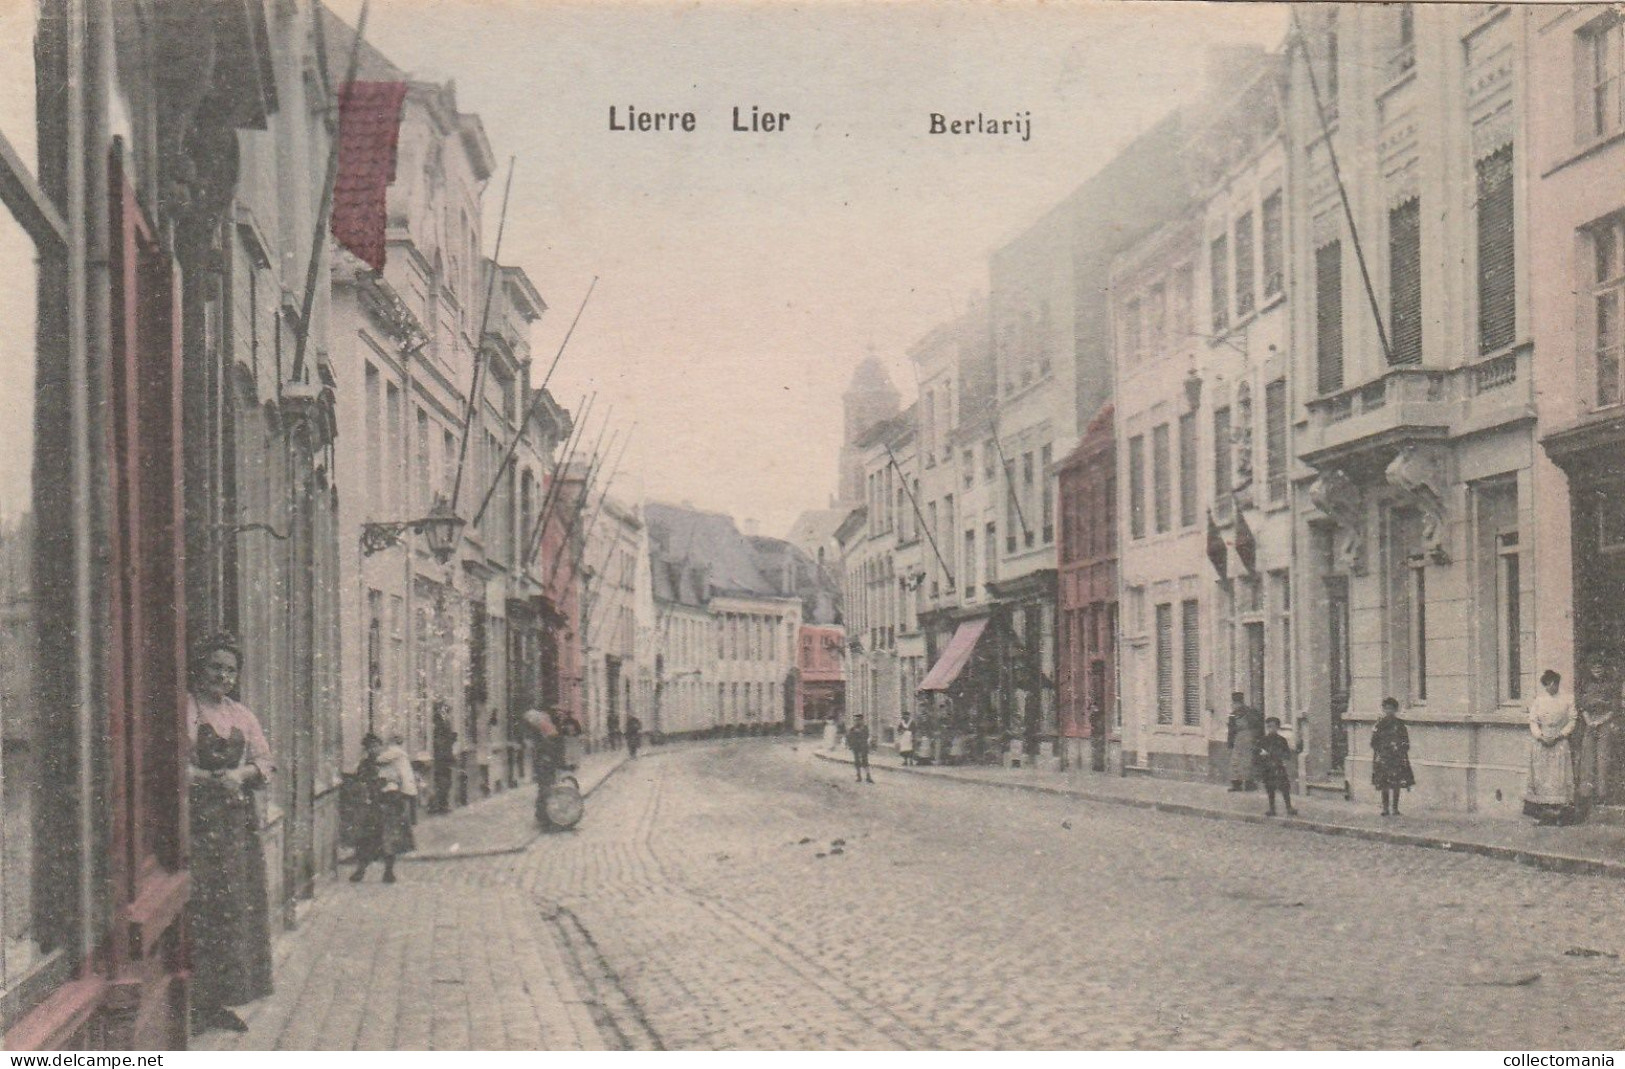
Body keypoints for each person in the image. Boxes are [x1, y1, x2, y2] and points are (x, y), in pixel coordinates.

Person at [187, 633, 274, 1035]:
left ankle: (220, 1000)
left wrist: (242, 773)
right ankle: (195, 1002)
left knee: (234, 906)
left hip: (237, 827)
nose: (222, 675)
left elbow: (265, 762)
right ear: (200, 669)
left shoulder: (241, 714)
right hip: (197, 825)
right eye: (215, 667)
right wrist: (207, 779)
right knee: (202, 907)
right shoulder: (188, 709)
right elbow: (172, 766)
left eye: (229, 670)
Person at [351, 733, 416, 883]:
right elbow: (360, 781)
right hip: (372, 807)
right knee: (367, 840)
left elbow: (399, 778)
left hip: (390, 805)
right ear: (367, 749)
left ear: (380, 746)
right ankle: (360, 870)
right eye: (370, 747)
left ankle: (388, 872)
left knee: (389, 840)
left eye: (376, 746)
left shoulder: (389, 760)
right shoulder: (365, 764)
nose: (374, 749)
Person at [1526, 669, 1578, 825]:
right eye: (1548, 684)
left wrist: (1560, 735)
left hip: (1559, 742)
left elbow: (1572, 720)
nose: (1552, 686)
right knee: (1542, 777)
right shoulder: (1539, 701)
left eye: (1554, 683)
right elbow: (1533, 721)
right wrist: (1540, 736)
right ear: (1545, 685)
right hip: (1542, 743)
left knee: (1559, 777)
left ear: (1558, 683)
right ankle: (1542, 815)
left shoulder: (1568, 699)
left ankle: (1560, 816)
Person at [1575, 649, 1619, 818]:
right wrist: (1589, 721)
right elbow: (1583, 705)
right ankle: (1587, 795)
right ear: (1590, 669)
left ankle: (1603, 795)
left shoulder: (1610, 686)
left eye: (1600, 667)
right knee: (1587, 759)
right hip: (1589, 723)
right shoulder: (1586, 685)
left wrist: (1600, 721)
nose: (1597, 669)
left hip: (1605, 723)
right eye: (1594, 667)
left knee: (1603, 759)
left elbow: (1614, 708)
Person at [1370, 697, 1415, 817]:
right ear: (1383, 709)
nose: (1389, 711)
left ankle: (1395, 808)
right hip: (1383, 758)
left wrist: (1401, 750)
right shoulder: (1379, 724)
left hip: (1397, 757)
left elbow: (1406, 741)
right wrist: (1380, 751)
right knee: (1384, 784)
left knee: (1396, 784)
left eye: (1392, 709)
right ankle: (1385, 808)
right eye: (1387, 708)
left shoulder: (1400, 724)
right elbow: (1373, 742)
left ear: (1396, 710)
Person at [1256, 717, 1297, 816]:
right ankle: (1272, 809)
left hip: (1279, 767)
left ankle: (1289, 807)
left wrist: (1273, 754)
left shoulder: (1282, 740)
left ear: (1278, 727)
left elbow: (1287, 754)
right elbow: (1258, 753)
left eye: (1273, 726)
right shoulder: (1263, 740)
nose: (1270, 729)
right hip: (1268, 768)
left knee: (1284, 787)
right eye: (1268, 727)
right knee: (1270, 788)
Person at [1225, 692, 1262, 792]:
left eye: (1236, 702)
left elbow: (1231, 730)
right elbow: (1231, 730)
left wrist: (1230, 743)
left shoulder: (1245, 713)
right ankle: (1240, 784)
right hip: (1242, 738)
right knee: (1239, 761)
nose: (1235, 705)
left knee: (1244, 761)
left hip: (1246, 738)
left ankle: (1246, 784)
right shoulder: (1247, 712)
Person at [431, 702, 457, 814]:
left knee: (446, 781)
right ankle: (442, 805)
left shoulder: (445, 721)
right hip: (442, 757)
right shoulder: (438, 721)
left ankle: (443, 804)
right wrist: (449, 739)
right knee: (443, 781)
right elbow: (439, 740)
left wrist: (451, 738)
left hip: (445, 756)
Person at [846, 714, 873, 783]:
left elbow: (866, 736)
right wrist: (850, 745)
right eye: (855, 720)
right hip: (855, 747)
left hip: (863, 747)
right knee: (857, 761)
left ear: (862, 720)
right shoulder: (852, 729)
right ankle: (858, 776)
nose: (857, 722)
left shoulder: (865, 728)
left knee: (865, 761)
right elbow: (849, 737)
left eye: (858, 720)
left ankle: (868, 776)